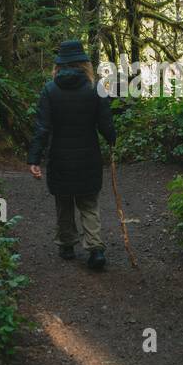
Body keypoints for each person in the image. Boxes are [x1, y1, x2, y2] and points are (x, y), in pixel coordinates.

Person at [27, 40, 116, 270]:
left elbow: (42, 128)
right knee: (88, 203)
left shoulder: (50, 90)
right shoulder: (96, 89)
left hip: (60, 158)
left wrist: (34, 159)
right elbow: (105, 123)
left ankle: (67, 244)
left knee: (64, 201)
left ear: (59, 65)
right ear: (84, 64)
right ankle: (95, 249)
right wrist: (112, 140)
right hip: (88, 157)